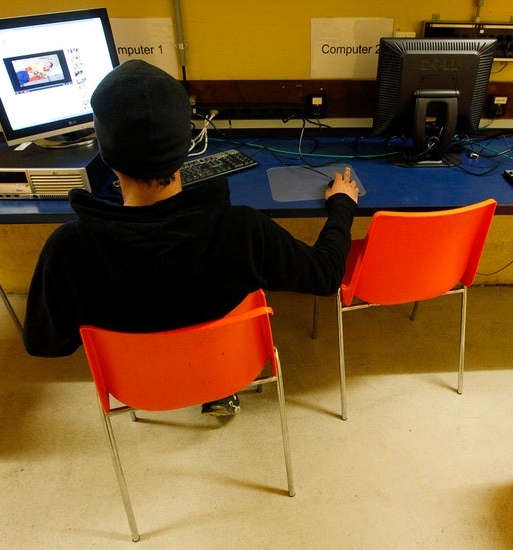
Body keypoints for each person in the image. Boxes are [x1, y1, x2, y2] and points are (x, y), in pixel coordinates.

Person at [23, 59, 359, 415]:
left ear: (106, 150)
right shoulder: (242, 228)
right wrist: (342, 205)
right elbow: (325, 275)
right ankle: (214, 387)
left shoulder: (69, 248)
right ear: (186, 142)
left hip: (138, 387)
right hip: (230, 369)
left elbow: (46, 344)